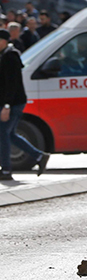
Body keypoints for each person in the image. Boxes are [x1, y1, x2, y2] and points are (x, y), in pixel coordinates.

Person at [0, 29, 48, 180]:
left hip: (13, 103)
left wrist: (6, 106)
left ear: (3, 41)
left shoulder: (10, 57)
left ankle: (6, 170)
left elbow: (12, 84)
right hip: (11, 102)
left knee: (3, 134)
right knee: (10, 134)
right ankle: (39, 156)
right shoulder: (4, 55)